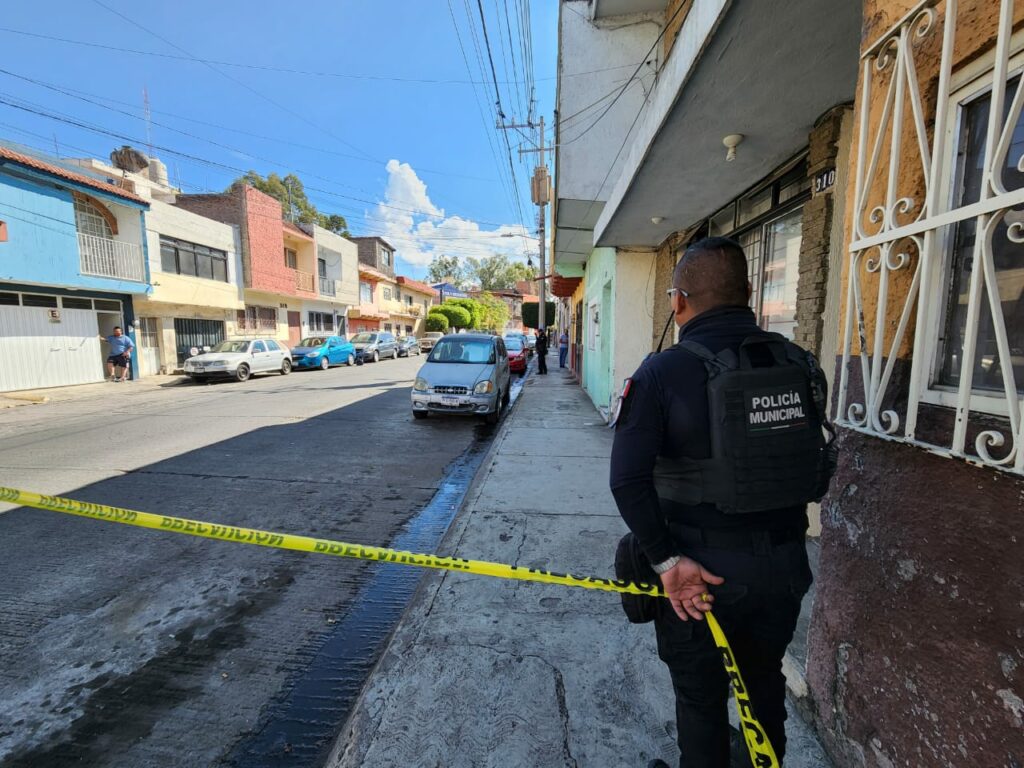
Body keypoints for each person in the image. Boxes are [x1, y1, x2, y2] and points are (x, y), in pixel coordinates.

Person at [609, 237, 833, 768]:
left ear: (678, 301)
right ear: (748, 295)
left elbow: (627, 481)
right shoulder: (800, 363)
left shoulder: (663, 372)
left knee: (701, 697)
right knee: (763, 685)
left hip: (699, 575)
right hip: (783, 566)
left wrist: (666, 560)